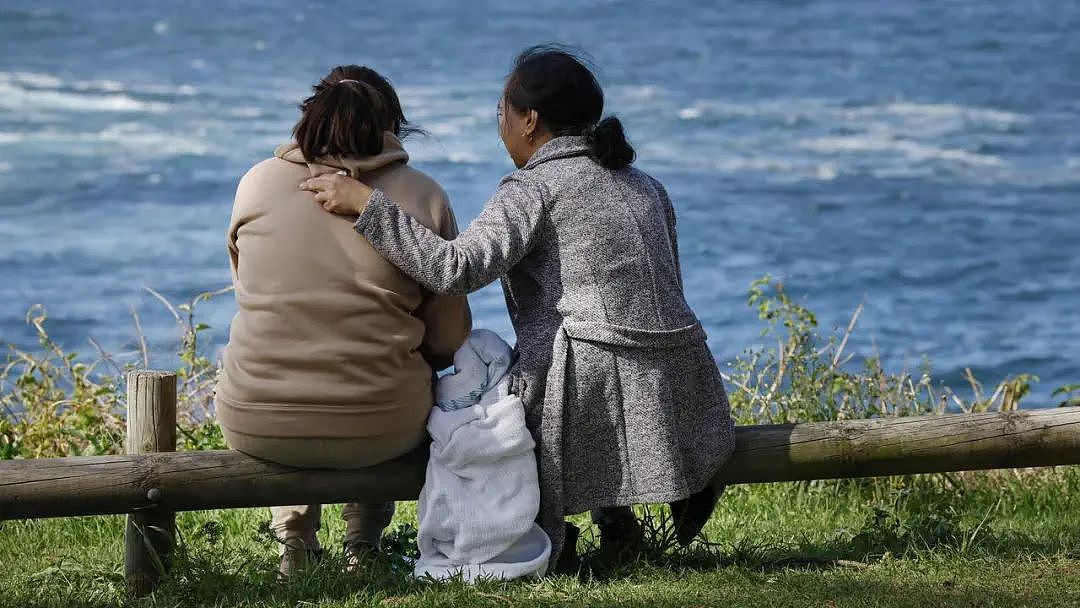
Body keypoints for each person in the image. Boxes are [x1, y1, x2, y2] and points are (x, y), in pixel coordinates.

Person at [300, 46, 734, 570]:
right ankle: (617, 523)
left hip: (588, 388)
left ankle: (535, 535)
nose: (499, 127)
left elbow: (456, 269)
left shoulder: (534, 189)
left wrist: (367, 205)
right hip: (682, 380)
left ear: (529, 120)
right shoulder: (645, 185)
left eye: (501, 114)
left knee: (482, 384)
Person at [215, 65, 471, 577]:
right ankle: (363, 543)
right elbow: (449, 339)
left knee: (293, 340)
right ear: (391, 129)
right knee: (397, 365)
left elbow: (249, 289)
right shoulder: (424, 196)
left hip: (256, 420)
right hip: (381, 427)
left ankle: (295, 543)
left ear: (309, 118)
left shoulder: (256, 183)